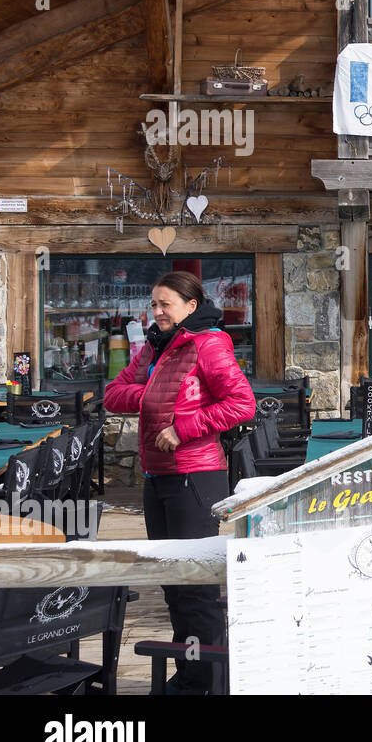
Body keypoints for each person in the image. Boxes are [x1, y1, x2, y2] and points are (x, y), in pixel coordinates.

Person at [104, 271, 256, 694]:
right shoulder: (155, 345)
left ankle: (208, 682)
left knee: (195, 589)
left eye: (165, 304)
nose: (157, 312)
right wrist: (154, 394)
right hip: (158, 477)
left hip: (195, 475)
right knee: (173, 584)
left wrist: (184, 425)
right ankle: (192, 673)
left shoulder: (208, 344)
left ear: (191, 306)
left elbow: (242, 404)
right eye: (153, 304)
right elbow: (113, 394)